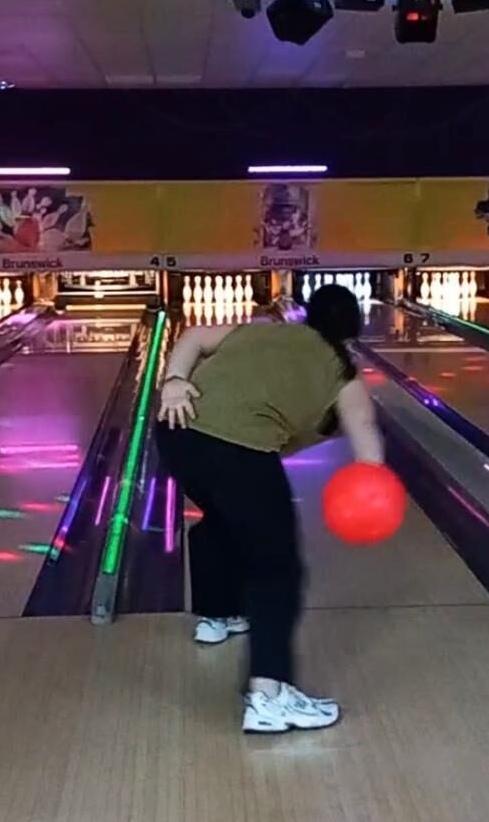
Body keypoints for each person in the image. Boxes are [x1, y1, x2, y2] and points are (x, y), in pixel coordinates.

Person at [156, 284, 384, 734]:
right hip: (237, 450)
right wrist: (371, 492)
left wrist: (174, 380)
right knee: (277, 569)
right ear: (352, 330)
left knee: (222, 520)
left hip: (176, 433)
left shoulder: (263, 330)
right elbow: (368, 450)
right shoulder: (344, 374)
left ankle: (216, 616)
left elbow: (195, 335)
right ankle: (270, 696)